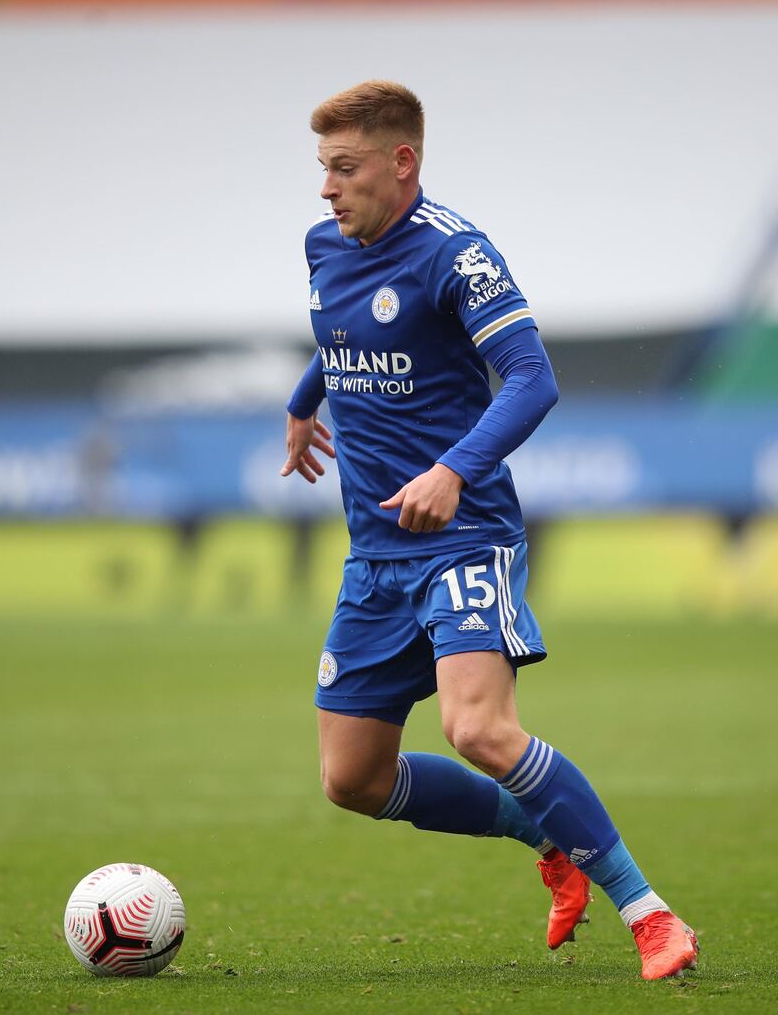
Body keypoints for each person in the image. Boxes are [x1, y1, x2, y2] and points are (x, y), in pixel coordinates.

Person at [281, 80, 698, 981]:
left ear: (403, 163)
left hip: (465, 535)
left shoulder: (456, 254)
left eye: (343, 169)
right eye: (321, 169)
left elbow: (531, 379)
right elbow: (339, 330)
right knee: (351, 778)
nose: (326, 189)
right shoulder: (324, 245)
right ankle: (547, 836)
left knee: (479, 728)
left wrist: (452, 469)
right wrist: (303, 402)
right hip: (377, 552)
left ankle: (651, 913)